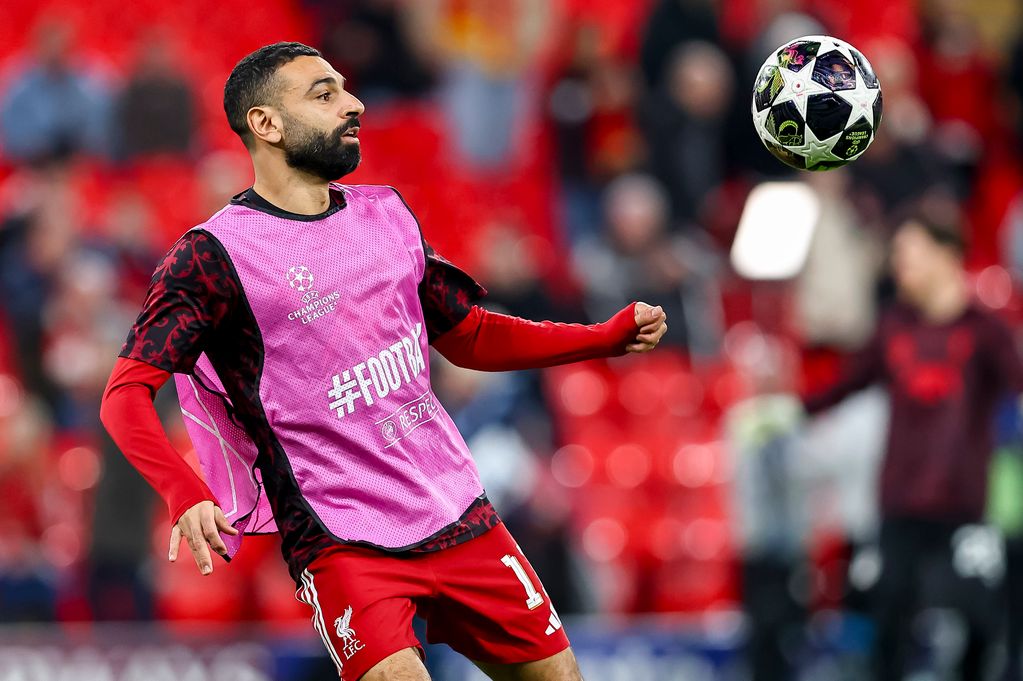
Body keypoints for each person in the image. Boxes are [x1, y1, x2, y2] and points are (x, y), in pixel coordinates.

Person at [99, 42, 667, 681]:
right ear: (265, 124)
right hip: (342, 539)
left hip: (458, 512)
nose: (354, 104)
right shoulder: (212, 257)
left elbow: (469, 336)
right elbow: (123, 395)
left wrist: (599, 338)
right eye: (324, 94)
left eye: (345, 88)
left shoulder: (386, 214)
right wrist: (183, 492)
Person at [803, 214, 1023, 681]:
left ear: (947, 256)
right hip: (899, 509)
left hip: (962, 513)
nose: (898, 265)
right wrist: (789, 407)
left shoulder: (985, 331)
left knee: (979, 625)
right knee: (888, 631)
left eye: (909, 253)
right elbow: (843, 386)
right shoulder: (892, 327)